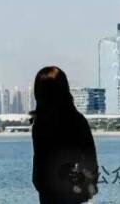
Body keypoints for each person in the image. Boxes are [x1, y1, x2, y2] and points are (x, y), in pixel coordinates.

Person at [31, 66, 99, 204]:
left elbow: (40, 164)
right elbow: (91, 161)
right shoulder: (78, 121)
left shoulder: (40, 125)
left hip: (49, 195)